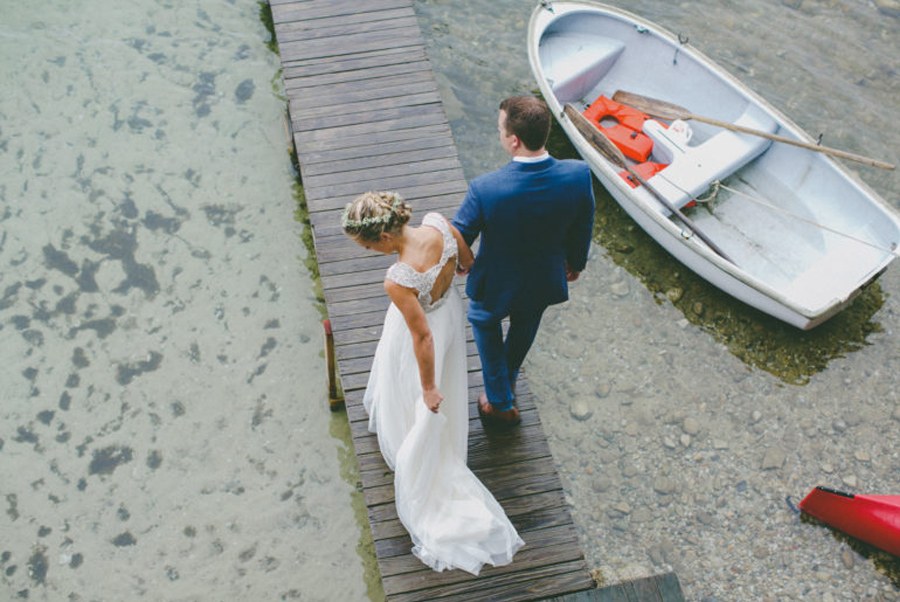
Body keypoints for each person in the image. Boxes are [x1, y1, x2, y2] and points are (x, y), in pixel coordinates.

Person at [341, 190, 524, 575]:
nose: (371, 252)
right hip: (449, 314)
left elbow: (421, 337)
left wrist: (428, 389)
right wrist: (451, 271)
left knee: (409, 380)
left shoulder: (397, 277)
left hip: (424, 331)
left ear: (386, 238)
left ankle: (417, 432)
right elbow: (468, 262)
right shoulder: (440, 223)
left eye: (368, 245)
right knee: (444, 371)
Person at [453, 96, 595, 427]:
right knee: (526, 321)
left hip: (496, 280)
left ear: (513, 140)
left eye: (500, 129)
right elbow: (583, 223)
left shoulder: (485, 189)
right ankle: (509, 375)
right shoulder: (578, 174)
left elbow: (458, 234)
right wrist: (576, 262)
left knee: (484, 320)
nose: (499, 134)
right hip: (544, 276)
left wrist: (464, 261)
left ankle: (499, 401)